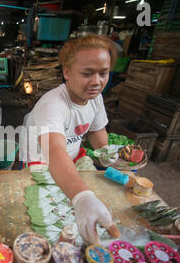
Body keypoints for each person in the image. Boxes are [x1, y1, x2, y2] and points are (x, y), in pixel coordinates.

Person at [22, 34, 120, 245]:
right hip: (42, 164)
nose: (96, 81)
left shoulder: (95, 98)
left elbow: (96, 130)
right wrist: (82, 197)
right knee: (44, 219)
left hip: (70, 161)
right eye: (87, 74)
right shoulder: (53, 105)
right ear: (66, 72)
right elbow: (55, 151)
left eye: (104, 73)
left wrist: (105, 151)